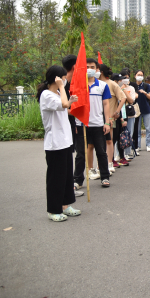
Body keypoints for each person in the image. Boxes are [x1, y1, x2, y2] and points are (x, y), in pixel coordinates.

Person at [37, 65, 81, 222]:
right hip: (54, 144)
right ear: (56, 78)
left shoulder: (56, 93)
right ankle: (53, 210)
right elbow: (62, 104)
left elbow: (65, 106)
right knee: (56, 177)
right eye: (63, 77)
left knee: (67, 176)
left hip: (65, 141)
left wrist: (71, 101)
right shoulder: (46, 95)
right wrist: (63, 91)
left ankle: (65, 205)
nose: (65, 79)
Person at [73, 58, 112, 188]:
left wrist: (107, 122)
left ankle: (105, 177)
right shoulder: (78, 85)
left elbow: (106, 104)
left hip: (98, 124)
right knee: (80, 154)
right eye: (87, 66)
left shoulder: (102, 85)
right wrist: (75, 123)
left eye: (92, 67)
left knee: (101, 152)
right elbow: (74, 105)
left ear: (97, 69)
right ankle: (78, 180)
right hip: (81, 124)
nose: (89, 69)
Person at [61, 54, 84, 198]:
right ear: (75, 66)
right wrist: (74, 111)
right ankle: (66, 189)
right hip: (64, 127)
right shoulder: (62, 84)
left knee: (75, 155)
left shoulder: (74, 83)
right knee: (66, 158)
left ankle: (72, 185)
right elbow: (63, 107)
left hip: (74, 124)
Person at [99, 65, 126, 172]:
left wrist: (117, 111)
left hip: (109, 117)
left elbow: (123, 97)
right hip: (97, 117)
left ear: (100, 72)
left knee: (108, 141)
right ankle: (100, 165)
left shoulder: (112, 84)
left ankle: (109, 163)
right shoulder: (96, 84)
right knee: (100, 143)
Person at [133, 70, 150, 152]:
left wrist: (145, 93)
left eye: (141, 75)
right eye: (138, 74)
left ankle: (149, 144)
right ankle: (137, 145)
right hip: (136, 110)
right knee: (137, 129)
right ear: (135, 76)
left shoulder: (146, 85)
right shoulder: (132, 85)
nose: (140, 76)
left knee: (148, 128)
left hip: (146, 109)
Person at [118, 73, 137, 161]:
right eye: (123, 78)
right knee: (119, 135)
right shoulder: (116, 87)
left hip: (129, 113)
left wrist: (124, 91)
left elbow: (131, 101)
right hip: (120, 113)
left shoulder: (131, 88)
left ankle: (127, 153)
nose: (125, 79)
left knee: (129, 133)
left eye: (127, 78)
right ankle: (119, 154)